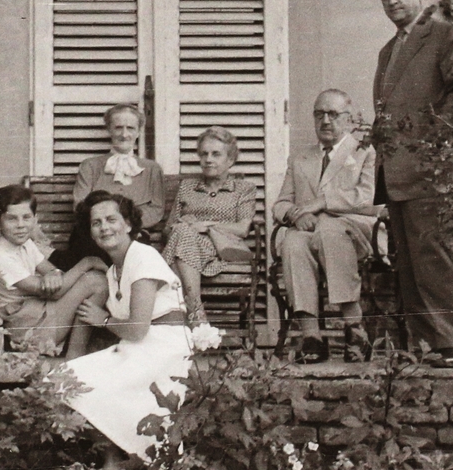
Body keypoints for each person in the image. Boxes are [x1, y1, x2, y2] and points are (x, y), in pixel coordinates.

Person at [372, 0, 453, 368]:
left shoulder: (445, 36)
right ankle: (426, 345)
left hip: (434, 171)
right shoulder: (388, 49)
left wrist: (433, 144)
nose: (392, 1)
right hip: (397, 173)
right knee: (410, 263)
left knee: (438, 258)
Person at [58, 191, 195, 470]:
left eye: (111, 219)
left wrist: (104, 320)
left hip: (164, 346)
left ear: (129, 225)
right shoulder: (113, 271)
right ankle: (117, 463)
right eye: (96, 223)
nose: (104, 227)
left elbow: (137, 327)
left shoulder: (144, 257)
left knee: (97, 384)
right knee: (65, 380)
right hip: (137, 346)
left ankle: (127, 467)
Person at [272, 89, 381, 363]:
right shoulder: (301, 158)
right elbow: (281, 204)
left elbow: (366, 198)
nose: (326, 121)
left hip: (355, 230)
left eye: (333, 114)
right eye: (319, 114)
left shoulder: (364, 151)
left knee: (331, 232)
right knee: (293, 241)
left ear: (349, 119)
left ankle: (355, 329)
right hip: (310, 233)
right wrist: (295, 216)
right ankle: (312, 336)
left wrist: (320, 204)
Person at [0, 184, 108, 356]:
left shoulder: (26, 244)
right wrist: (88, 262)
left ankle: (73, 353)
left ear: (35, 219)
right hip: (31, 331)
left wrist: (54, 273)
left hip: (41, 315)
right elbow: (54, 292)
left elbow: (51, 269)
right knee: (96, 282)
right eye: (12, 219)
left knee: (93, 280)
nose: (20, 225)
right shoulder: (2, 258)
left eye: (26, 217)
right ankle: (74, 356)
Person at [161, 126, 258, 326]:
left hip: (218, 250)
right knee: (181, 231)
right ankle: (196, 313)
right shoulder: (187, 187)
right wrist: (183, 225)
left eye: (216, 154)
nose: (208, 159)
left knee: (183, 235)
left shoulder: (243, 189)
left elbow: (242, 229)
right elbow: (168, 229)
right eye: (204, 154)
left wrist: (205, 226)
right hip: (185, 248)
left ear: (230, 160)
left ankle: (186, 314)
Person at [70, 103, 168, 245]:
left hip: (134, 234)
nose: (124, 134)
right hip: (96, 235)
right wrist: (108, 225)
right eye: (118, 128)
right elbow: (80, 206)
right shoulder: (90, 166)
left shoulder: (152, 169)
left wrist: (126, 226)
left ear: (138, 132)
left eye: (130, 128)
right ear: (109, 130)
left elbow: (156, 210)